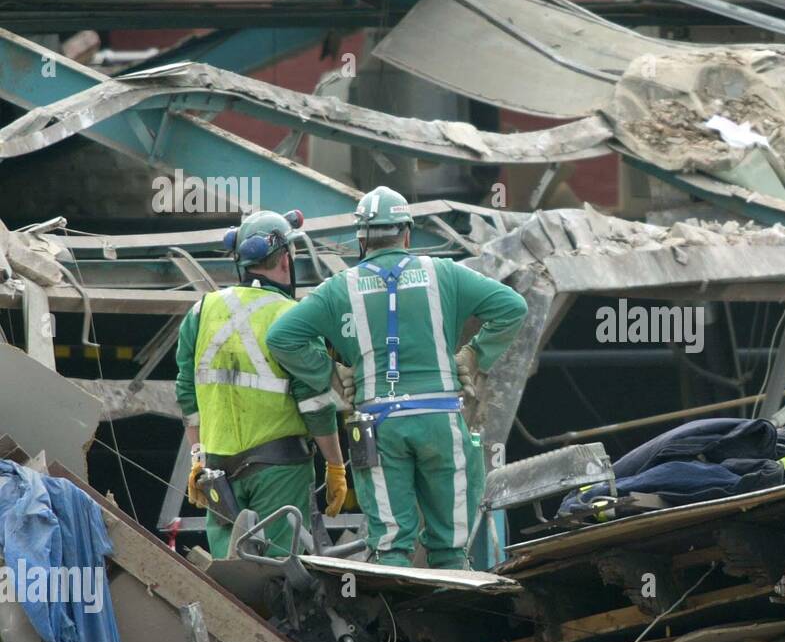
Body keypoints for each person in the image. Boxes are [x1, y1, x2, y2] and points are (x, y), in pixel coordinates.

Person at [267, 186, 527, 568]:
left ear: (361, 238)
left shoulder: (339, 288)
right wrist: (473, 354)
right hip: (440, 419)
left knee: (390, 546)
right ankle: (452, 611)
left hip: (378, 427)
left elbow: (281, 337)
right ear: (407, 233)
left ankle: (395, 620)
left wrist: (332, 373)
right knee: (451, 547)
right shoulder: (444, 273)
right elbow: (512, 307)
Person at [175, 210, 347, 559]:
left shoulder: (201, 311)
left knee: (229, 576)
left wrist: (198, 458)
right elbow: (314, 402)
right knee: (279, 571)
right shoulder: (293, 318)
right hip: (279, 468)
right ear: (286, 259)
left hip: (218, 471)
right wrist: (335, 465)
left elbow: (187, 394)